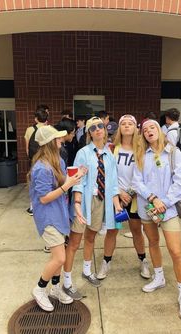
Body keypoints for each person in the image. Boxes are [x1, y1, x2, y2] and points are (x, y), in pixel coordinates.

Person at [132, 119, 181, 320]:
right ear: (143, 135)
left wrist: (164, 202)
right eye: (146, 129)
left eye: (152, 128)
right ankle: (159, 277)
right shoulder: (140, 154)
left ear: (159, 131)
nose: (149, 131)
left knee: (176, 251)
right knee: (153, 243)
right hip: (148, 208)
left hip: (168, 210)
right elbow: (136, 182)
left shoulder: (173, 153)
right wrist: (153, 198)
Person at [63, 116, 122, 294]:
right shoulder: (83, 153)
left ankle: (87, 271)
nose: (97, 129)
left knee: (91, 237)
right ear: (89, 132)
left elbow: (112, 182)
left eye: (100, 126)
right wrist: (78, 203)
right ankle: (66, 282)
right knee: (74, 242)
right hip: (84, 201)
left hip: (100, 200)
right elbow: (77, 180)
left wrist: (117, 204)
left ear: (105, 130)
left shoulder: (109, 154)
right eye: (93, 127)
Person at [29, 125, 85, 312]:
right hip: (48, 216)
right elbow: (44, 198)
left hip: (59, 213)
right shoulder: (41, 168)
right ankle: (39, 289)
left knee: (58, 256)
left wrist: (75, 177)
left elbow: (62, 181)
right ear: (50, 142)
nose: (62, 140)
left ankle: (55, 288)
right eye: (58, 138)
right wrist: (66, 185)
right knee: (60, 258)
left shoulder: (58, 161)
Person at [96, 114, 151, 280]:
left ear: (136, 128)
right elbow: (107, 174)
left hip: (135, 197)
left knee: (136, 230)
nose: (127, 126)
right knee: (112, 231)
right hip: (116, 196)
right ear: (119, 128)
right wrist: (119, 191)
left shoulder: (142, 149)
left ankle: (143, 261)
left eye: (130, 124)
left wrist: (131, 192)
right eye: (123, 124)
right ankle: (106, 262)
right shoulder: (112, 148)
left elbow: (145, 175)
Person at [24, 106, 49, 216]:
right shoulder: (49, 129)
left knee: (33, 182)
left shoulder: (30, 130)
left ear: (36, 119)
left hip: (34, 160)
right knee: (47, 182)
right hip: (47, 160)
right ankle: (46, 203)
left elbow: (27, 148)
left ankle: (32, 207)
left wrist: (31, 158)